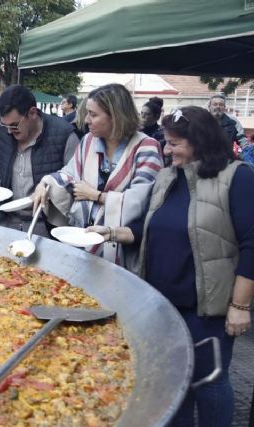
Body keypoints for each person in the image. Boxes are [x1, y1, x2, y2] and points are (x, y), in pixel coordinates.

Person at [89, 106, 254, 427]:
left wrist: (240, 305)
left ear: (200, 141)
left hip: (207, 311)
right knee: (174, 384)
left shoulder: (238, 177)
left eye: (175, 143)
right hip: (163, 306)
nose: (166, 150)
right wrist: (108, 232)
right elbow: (142, 229)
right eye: (166, 142)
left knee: (209, 385)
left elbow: (252, 243)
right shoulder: (167, 177)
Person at [34, 83, 163, 266]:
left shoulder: (146, 147)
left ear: (116, 116)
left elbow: (141, 201)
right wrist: (44, 184)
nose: (86, 120)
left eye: (93, 114)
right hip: (82, 241)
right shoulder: (88, 141)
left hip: (121, 250)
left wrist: (96, 196)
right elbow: (69, 174)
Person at [0, 84, 80, 236]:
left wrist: (51, 188)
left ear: (32, 113)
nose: (10, 131)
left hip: (47, 225)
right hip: (8, 221)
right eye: (5, 126)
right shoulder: (5, 130)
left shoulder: (64, 135)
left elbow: (75, 178)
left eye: (14, 126)